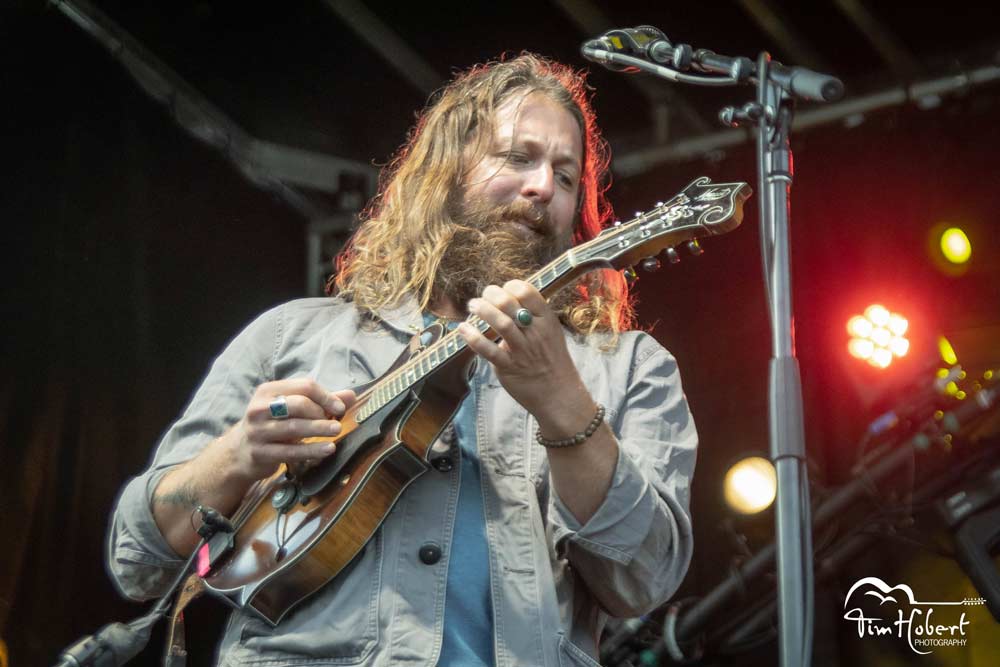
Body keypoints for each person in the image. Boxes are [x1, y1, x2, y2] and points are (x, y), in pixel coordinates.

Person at [107, 53, 697, 667]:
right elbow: (139, 558)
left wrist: (563, 403)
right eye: (518, 157)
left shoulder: (630, 367)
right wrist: (238, 454)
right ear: (446, 172)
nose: (543, 187)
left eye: (566, 176)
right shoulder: (290, 336)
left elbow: (644, 578)